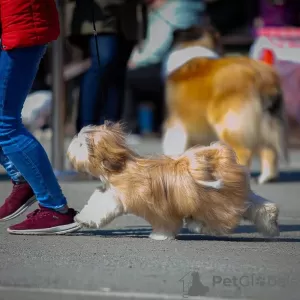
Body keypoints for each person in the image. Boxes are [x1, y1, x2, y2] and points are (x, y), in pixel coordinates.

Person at [0, 0, 80, 234]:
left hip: (21, 23)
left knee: (5, 124)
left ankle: (55, 208)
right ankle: (23, 179)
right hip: (15, 23)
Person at [122, 0, 206, 138]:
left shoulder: (171, 10)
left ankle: (131, 129)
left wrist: (134, 61)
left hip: (174, 72)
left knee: (128, 77)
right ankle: (157, 126)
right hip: (192, 70)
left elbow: (157, 47)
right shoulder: (192, 7)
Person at [68, 0, 148, 133]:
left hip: (127, 16)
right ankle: (86, 129)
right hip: (99, 15)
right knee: (103, 62)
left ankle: (111, 133)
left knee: (118, 72)